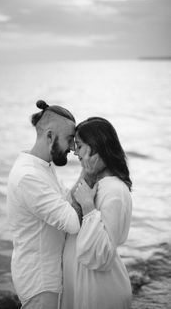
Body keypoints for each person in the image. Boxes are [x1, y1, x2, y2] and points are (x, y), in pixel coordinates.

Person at [7, 100, 91, 309]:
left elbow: (69, 200)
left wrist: (87, 173)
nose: (73, 148)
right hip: (40, 282)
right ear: (50, 136)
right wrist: (88, 174)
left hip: (48, 277)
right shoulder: (29, 177)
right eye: (70, 140)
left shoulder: (42, 167)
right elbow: (72, 222)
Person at [61, 117, 133, 309]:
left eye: (80, 146)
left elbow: (102, 255)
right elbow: (65, 215)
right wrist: (86, 174)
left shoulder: (114, 191)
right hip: (81, 285)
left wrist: (88, 206)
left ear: (96, 146)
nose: (75, 152)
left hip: (100, 292)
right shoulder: (93, 183)